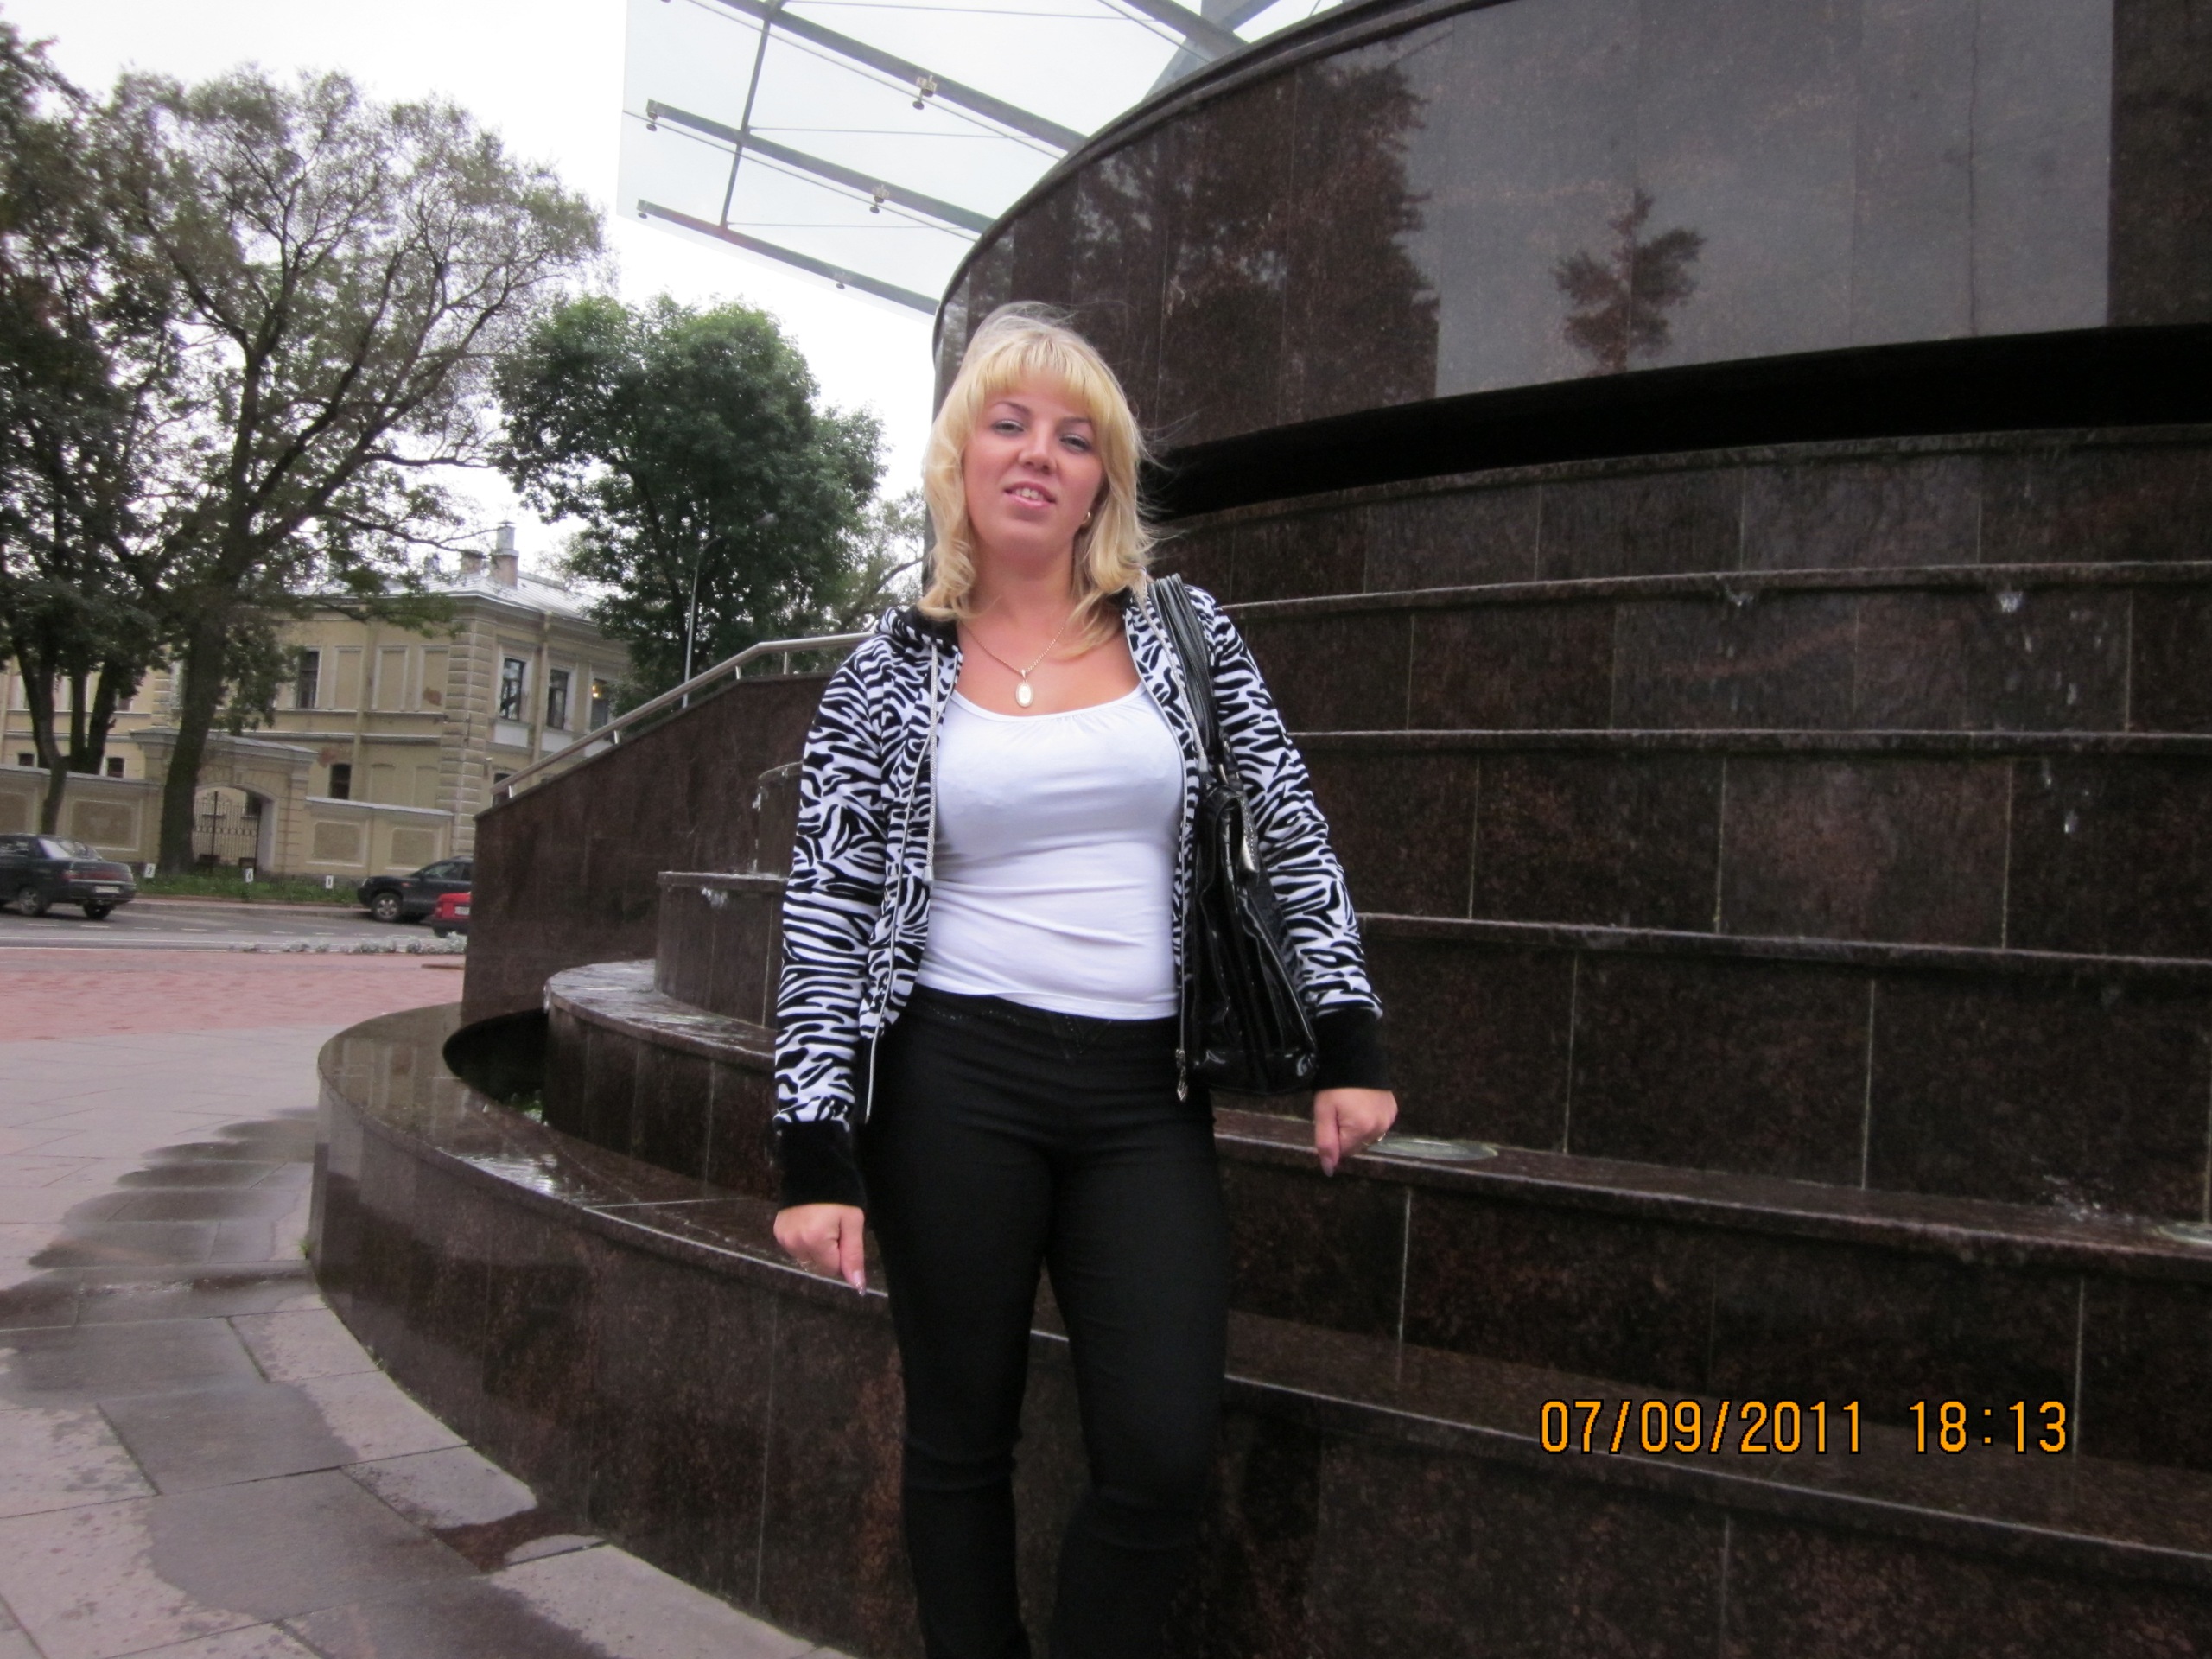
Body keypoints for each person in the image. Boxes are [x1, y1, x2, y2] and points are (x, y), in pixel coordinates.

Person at [769, 303, 1397, 1659]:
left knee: (1162, 1453)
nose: (1038, 455)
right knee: (958, 1439)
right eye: (1008, 425)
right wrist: (814, 1153)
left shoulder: (1186, 633)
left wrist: (1348, 1039)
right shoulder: (886, 673)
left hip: (1141, 1095)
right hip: (952, 1080)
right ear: (960, 457)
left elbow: (1287, 830)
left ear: (1103, 477)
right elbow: (826, 911)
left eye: (1073, 436)